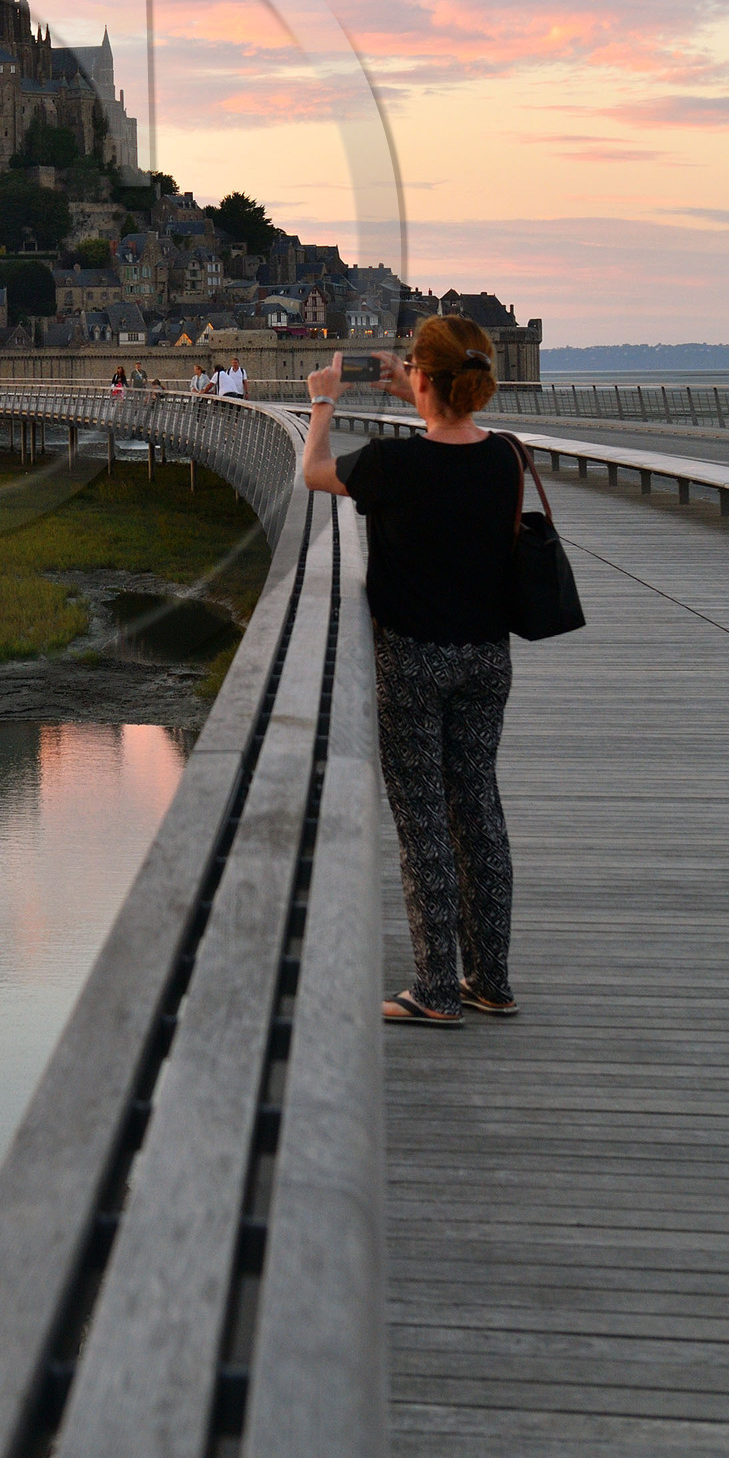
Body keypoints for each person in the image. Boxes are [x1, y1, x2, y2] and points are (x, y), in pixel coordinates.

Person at [302, 318, 521, 1028]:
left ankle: (434, 989)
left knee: (423, 816)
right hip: (488, 657)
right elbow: (452, 440)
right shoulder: (506, 458)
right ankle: (490, 978)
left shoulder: (394, 465)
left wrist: (323, 404)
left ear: (421, 379)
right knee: (479, 808)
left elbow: (314, 472)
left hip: (414, 657)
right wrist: (422, 393)